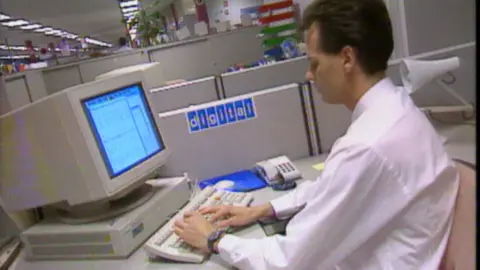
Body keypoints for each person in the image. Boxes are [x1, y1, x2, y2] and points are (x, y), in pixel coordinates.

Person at [173, 0, 459, 269]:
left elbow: (290, 261)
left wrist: (214, 240)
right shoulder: (396, 110)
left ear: (347, 58)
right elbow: (332, 187)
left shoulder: (367, 146)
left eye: (315, 63)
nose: (309, 76)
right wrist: (265, 209)